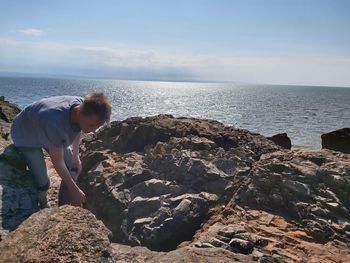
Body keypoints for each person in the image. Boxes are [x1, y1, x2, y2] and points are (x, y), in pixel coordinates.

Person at [10, 92, 112, 209]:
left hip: (45, 126)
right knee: (44, 182)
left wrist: (75, 156)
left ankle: (63, 208)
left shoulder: (82, 105)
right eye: (91, 125)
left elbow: (78, 128)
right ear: (79, 112)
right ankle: (43, 202)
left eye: (97, 127)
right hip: (25, 133)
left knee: (73, 167)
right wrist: (75, 190)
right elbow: (58, 163)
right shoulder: (56, 124)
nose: (93, 130)